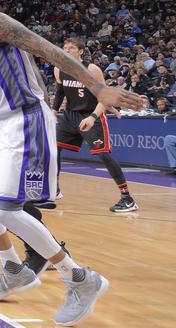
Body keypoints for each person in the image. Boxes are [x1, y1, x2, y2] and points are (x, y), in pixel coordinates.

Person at [0, 0, 147, 326]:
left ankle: (80, 279)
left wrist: (98, 88)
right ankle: (13, 269)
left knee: (5, 210)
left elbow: (48, 49)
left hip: (24, 119)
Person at [52, 37, 136, 213]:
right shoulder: (59, 68)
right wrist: (53, 113)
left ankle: (127, 198)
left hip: (92, 114)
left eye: (71, 48)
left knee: (104, 155)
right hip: (70, 115)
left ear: (81, 51)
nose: (66, 50)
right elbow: (60, 92)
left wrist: (92, 117)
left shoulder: (92, 69)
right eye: (64, 47)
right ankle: (54, 188)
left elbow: (104, 98)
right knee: (53, 149)